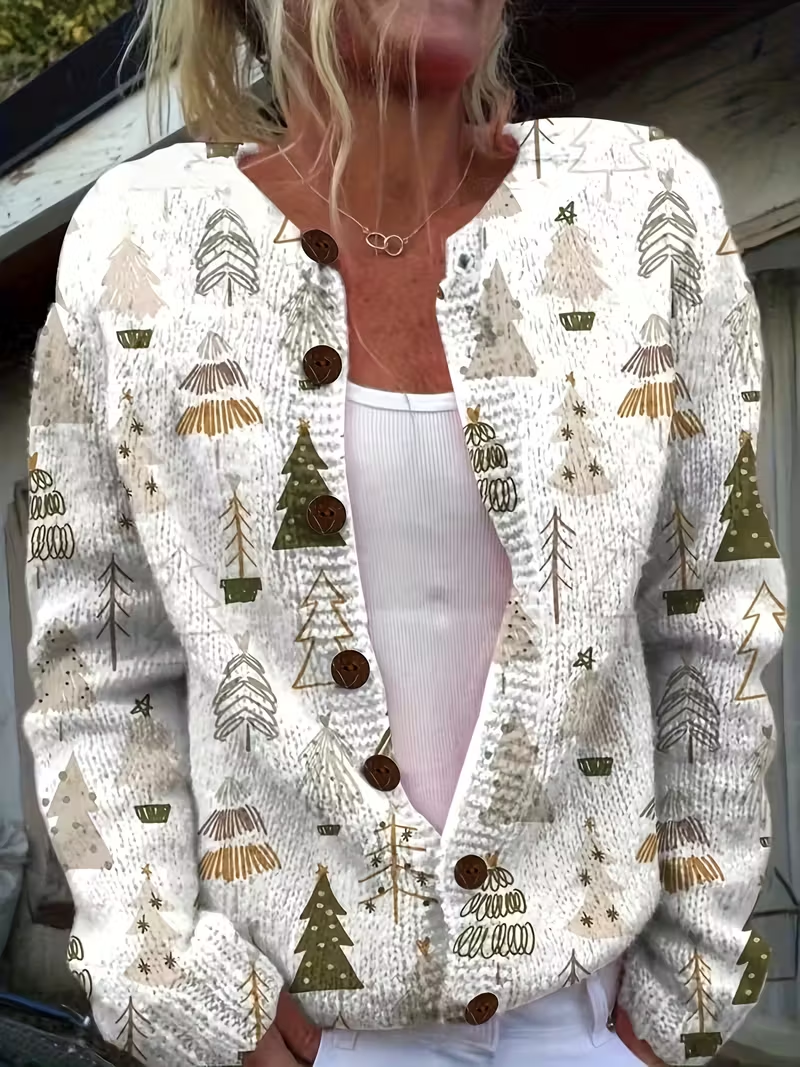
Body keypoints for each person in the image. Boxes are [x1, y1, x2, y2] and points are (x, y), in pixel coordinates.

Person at [23, 0, 786, 1064]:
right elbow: (96, 671)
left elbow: (712, 622)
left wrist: (680, 999)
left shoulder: (639, 205)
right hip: (291, 1029)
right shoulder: (136, 244)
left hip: (588, 1025)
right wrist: (171, 982)